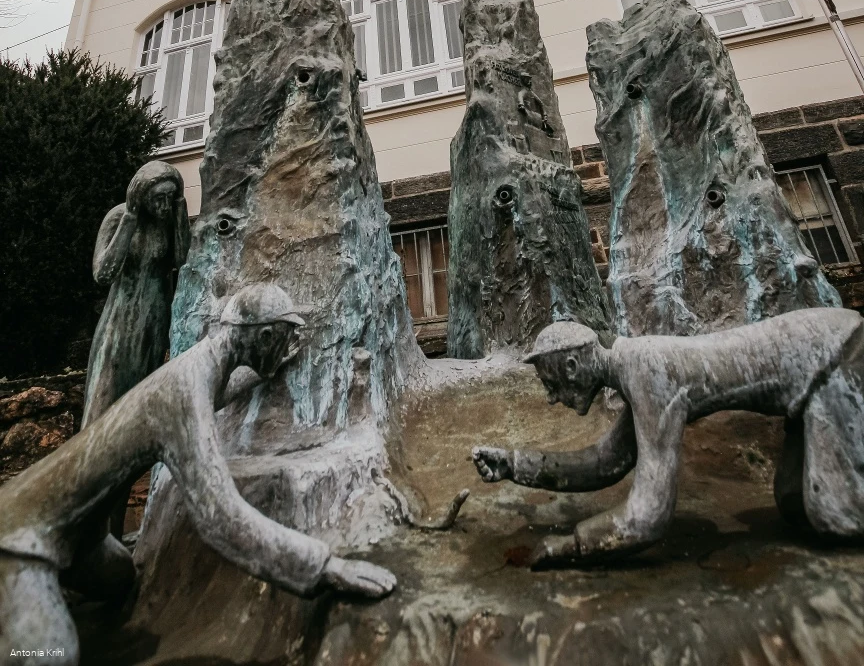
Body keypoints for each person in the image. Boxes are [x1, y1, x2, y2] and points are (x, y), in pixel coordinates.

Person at [0, 283, 395, 664]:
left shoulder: (201, 365)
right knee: (46, 655)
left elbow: (216, 391)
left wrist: (261, 372)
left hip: (84, 540)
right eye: (281, 338)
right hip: (23, 536)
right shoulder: (183, 391)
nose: (285, 344)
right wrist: (326, 567)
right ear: (265, 336)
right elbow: (220, 517)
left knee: (120, 578)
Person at [472, 307, 864, 568]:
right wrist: (514, 464)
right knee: (794, 503)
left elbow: (648, 517)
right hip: (816, 358)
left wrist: (572, 547)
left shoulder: (647, 370)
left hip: (834, 353)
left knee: (837, 516)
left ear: (572, 365)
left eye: (550, 382)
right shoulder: (634, 366)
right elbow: (608, 461)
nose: (551, 397)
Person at [82, 160, 191, 428]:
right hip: (119, 320)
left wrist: (180, 213)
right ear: (141, 196)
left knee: (144, 394)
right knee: (104, 391)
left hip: (155, 318)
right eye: (158, 198)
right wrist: (130, 219)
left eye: (169, 198)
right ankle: (91, 460)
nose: (164, 205)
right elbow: (103, 274)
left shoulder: (168, 220)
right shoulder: (118, 217)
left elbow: (183, 262)